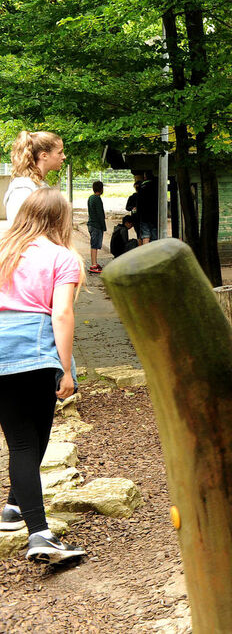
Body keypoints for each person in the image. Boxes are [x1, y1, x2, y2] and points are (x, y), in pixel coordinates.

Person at [0, 189, 85, 565]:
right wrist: (65, 369)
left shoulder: (3, 249)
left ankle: (15, 507)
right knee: (27, 442)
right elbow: (62, 313)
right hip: (32, 353)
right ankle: (40, 534)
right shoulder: (62, 257)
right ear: (61, 219)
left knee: (25, 439)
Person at [4, 131, 64, 223]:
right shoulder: (23, 190)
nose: (64, 157)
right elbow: (20, 232)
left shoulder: (39, 186)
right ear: (44, 156)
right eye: (60, 153)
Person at [127, 173, 159, 244]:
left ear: (145, 177)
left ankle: (145, 253)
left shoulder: (141, 189)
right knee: (154, 236)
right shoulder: (157, 187)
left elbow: (138, 204)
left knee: (145, 236)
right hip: (154, 216)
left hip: (144, 217)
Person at [87, 181, 106, 274]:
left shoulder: (90, 198)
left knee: (93, 244)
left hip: (91, 224)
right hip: (96, 225)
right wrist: (103, 226)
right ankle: (94, 264)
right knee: (94, 245)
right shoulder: (97, 199)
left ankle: (95, 262)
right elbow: (100, 214)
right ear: (101, 189)